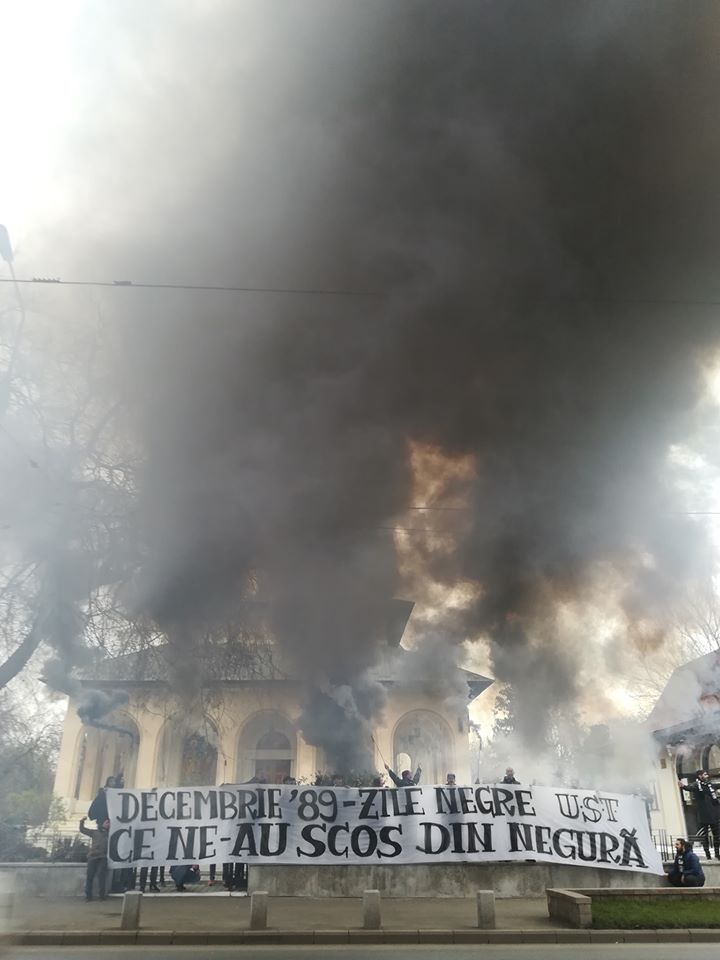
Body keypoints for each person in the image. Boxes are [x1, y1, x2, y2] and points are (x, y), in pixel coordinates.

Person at [680, 770, 720, 859]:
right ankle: (708, 854)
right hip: (703, 815)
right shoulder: (696, 785)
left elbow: (717, 785)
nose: (707, 776)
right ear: (700, 776)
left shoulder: (709, 785)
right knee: (705, 836)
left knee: (716, 835)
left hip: (713, 814)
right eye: (705, 775)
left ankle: (717, 853)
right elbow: (689, 788)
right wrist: (683, 786)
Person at [79, 817, 109, 901]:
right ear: (102, 823)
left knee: (101, 875)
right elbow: (83, 830)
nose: (108, 824)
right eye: (107, 822)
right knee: (90, 876)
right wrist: (82, 822)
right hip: (93, 856)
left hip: (103, 857)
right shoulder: (95, 832)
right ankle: (88, 896)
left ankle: (101, 896)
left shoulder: (110, 834)